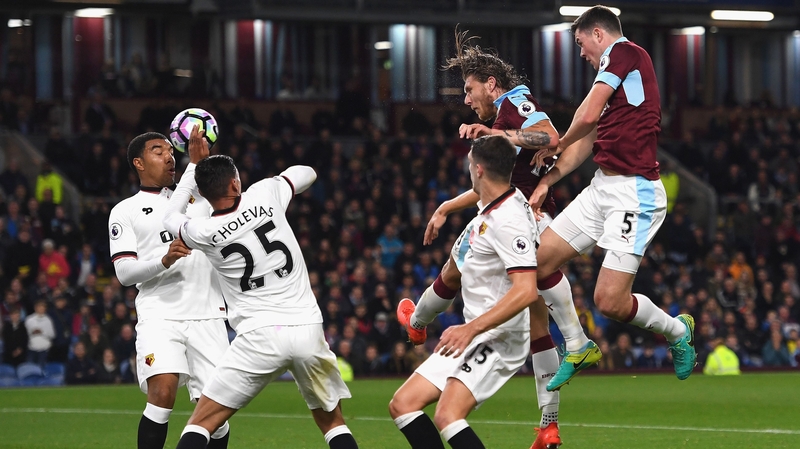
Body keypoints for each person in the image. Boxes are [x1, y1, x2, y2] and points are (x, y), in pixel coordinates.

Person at [405, 29, 592, 448]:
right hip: (509, 212)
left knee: (460, 270)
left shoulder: (513, 102)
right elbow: (491, 182)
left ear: (492, 84)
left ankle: (418, 324)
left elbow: (550, 136)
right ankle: (549, 425)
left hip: (519, 220)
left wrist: (504, 136)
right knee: (526, 316)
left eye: (470, 91)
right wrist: (446, 207)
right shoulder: (499, 121)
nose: (467, 100)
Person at [528, 6, 696, 389]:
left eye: (581, 43)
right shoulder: (617, 78)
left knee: (609, 302)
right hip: (603, 187)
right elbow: (589, 137)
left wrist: (556, 141)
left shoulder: (624, 53)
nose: (581, 52)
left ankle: (675, 331)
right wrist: (549, 179)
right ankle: (578, 343)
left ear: (598, 34)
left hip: (635, 193)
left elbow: (585, 117)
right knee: (536, 264)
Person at [162, 127, 358, 449]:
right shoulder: (265, 194)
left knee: (201, 423)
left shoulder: (202, 231)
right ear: (236, 183)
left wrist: (194, 167)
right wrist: (281, 182)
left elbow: (170, 215)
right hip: (307, 329)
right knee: (334, 424)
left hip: (258, 336)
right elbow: (307, 173)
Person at [389, 135, 538, 449]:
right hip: (472, 334)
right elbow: (450, 278)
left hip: (500, 337)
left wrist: (470, 329)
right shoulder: (487, 214)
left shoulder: (507, 221)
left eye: (471, 164)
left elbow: (526, 291)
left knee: (448, 415)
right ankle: (416, 322)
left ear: (479, 170)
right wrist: (445, 208)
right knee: (403, 404)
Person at [108, 132, 231, 449]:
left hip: (208, 315)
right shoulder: (126, 210)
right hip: (160, 314)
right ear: (138, 162)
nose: (168, 156)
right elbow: (124, 273)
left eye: (170, 150)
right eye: (157, 150)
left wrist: (203, 164)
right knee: (162, 394)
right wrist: (163, 261)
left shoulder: (198, 201)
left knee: (216, 416)